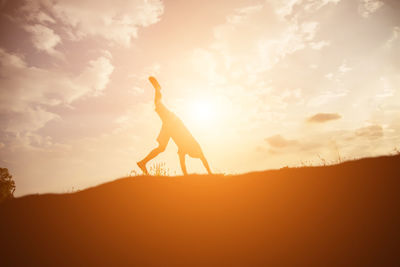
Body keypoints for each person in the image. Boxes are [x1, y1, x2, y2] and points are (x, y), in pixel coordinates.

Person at [137, 76, 212, 175]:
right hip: (172, 121)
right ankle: (157, 88)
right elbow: (203, 159)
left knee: (162, 148)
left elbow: (182, 163)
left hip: (169, 127)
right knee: (158, 104)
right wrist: (210, 173)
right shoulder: (194, 145)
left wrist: (186, 175)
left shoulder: (183, 149)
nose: (185, 154)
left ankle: (143, 163)